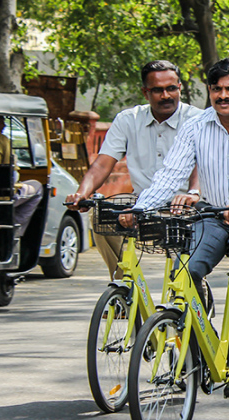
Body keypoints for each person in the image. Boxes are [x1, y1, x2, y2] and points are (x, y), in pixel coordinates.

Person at [126, 58, 229, 400]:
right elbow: (171, 173)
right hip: (212, 214)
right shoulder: (197, 126)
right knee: (186, 270)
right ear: (209, 91)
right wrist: (140, 209)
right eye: (216, 89)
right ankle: (201, 344)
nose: (223, 96)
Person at [66, 60, 202, 280]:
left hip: (185, 205)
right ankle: (124, 287)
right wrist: (82, 193)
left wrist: (193, 192)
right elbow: (102, 164)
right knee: (100, 216)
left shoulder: (198, 119)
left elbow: (202, 164)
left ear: (179, 88)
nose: (166, 95)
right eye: (157, 90)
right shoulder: (128, 120)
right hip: (142, 202)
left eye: (171, 89)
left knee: (184, 277)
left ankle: (192, 291)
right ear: (145, 92)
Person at [0, 115, 43, 237]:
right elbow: (11, 173)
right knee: (37, 187)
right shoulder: (1, 140)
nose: (4, 125)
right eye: (1, 121)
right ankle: (13, 231)